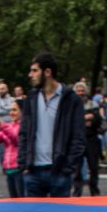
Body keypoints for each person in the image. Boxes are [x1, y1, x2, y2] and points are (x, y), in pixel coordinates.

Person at [19, 53, 86, 198]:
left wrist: (68, 167)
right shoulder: (31, 98)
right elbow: (24, 132)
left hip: (59, 171)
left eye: (35, 70)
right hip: (33, 171)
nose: (30, 75)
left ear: (47, 72)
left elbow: (78, 137)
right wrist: (24, 164)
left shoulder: (71, 100)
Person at [0, 108, 24, 197]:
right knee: (13, 201)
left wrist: (2, 125)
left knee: (22, 199)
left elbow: (16, 139)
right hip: (8, 168)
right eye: (10, 110)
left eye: (14, 110)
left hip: (18, 168)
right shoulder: (9, 126)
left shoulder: (23, 126)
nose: (11, 113)